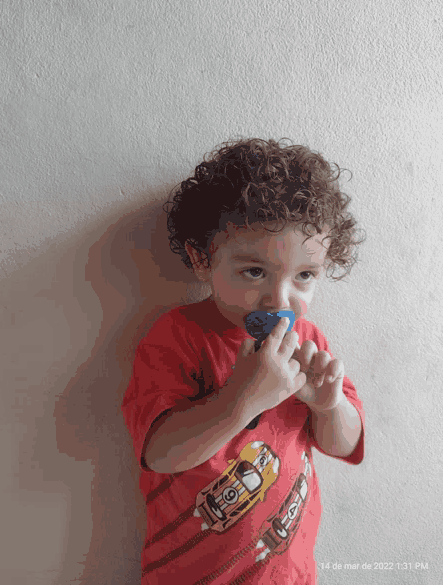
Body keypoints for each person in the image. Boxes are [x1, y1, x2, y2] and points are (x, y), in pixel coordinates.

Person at [122, 138, 366, 584]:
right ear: (201, 259)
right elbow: (159, 453)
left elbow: (345, 446)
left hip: (288, 573)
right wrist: (243, 399)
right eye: (254, 271)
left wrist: (329, 406)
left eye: (304, 276)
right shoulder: (177, 336)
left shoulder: (308, 340)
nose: (279, 299)